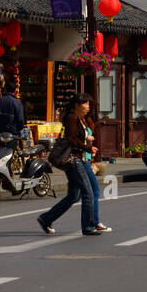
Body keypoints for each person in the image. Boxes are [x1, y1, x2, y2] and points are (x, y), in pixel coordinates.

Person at [37, 94, 102, 234]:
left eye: (89, 104)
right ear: (77, 105)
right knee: (88, 192)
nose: (88, 107)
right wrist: (87, 147)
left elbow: (78, 138)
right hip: (74, 160)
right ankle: (89, 226)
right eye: (85, 104)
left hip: (81, 159)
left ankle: (46, 218)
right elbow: (71, 139)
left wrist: (88, 144)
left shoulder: (81, 119)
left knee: (74, 196)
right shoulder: (72, 118)